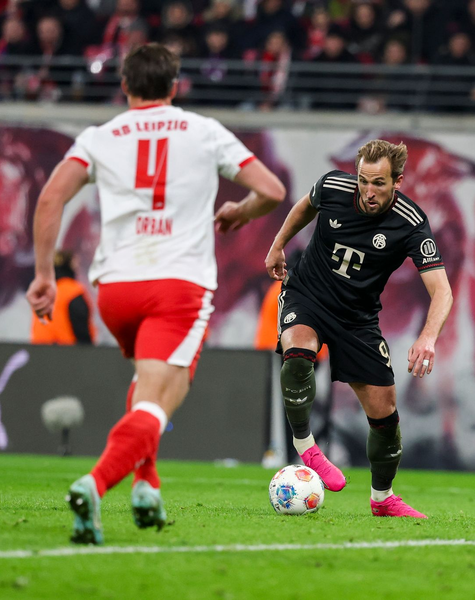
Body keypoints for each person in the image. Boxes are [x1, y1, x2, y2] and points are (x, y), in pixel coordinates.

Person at [26, 43, 286, 545]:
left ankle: (147, 487)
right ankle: (95, 483)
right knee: (162, 400)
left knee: (149, 386)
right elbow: (272, 189)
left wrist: (43, 274)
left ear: (124, 86)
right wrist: (242, 213)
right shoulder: (202, 130)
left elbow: (51, 197)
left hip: (116, 290)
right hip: (177, 285)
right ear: (175, 86)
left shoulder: (100, 137)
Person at [264, 139, 453, 518]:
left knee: (385, 415)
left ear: (397, 181)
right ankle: (308, 449)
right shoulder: (334, 186)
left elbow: (442, 289)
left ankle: (383, 499)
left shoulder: (411, 222)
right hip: (308, 296)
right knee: (299, 355)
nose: (368, 191)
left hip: (357, 318)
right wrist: (278, 245)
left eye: (379, 183)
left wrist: (428, 336)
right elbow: (305, 206)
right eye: (363, 181)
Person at [30, 250, 96, 346]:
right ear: (70, 265)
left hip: (40, 352)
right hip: (66, 353)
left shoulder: (42, 292)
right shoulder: (72, 291)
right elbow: (81, 327)